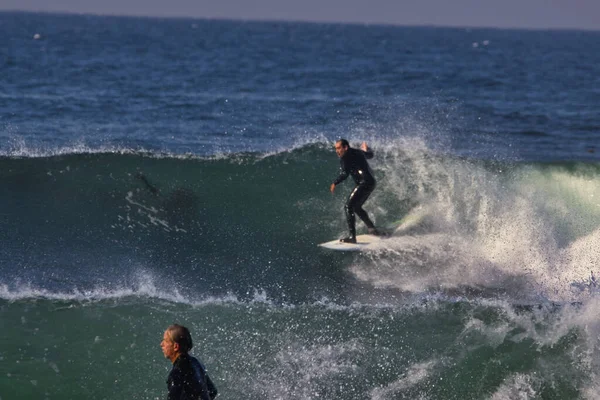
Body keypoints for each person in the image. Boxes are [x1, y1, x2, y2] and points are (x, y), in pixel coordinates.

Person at [330, 139, 382, 243]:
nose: (337, 151)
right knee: (356, 207)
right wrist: (367, 149)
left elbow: (345, 174)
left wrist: (334, 183)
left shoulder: (345, 157)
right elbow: (370, 155)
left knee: (348, 206)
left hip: (363, 183)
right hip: (371, 182)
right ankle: (372, 229)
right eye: (336, 148)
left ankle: (352, 237)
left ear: (345, 147)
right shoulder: (358, 151)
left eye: (339, 148)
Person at [161, 324, 218, 400]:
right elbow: (212, 391)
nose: (161, 344)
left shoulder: (177, 372)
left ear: (175, 347)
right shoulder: (196, 363)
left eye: (165, 341)